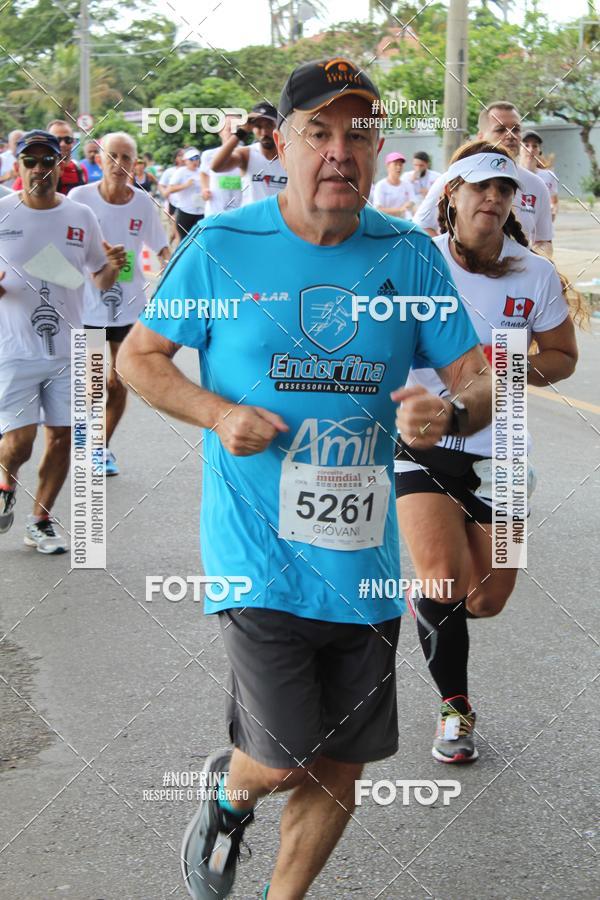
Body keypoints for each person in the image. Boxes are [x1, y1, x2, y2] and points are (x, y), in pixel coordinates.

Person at [119, 56, 491, 900]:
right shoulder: (223, 246)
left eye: (357, 135)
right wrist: (216, 413)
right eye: (317, 133)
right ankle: (229, 793)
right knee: (286, 756)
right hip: (254, 551)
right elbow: (139, 358)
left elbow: (478, 373)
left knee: (341, 765)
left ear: (378, 148)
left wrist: (453, 413)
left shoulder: (407, 255)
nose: (338, 152)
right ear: (279, 144)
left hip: (363, 557)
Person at [395, 140, 579, 763]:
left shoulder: (536, 274)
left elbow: (563, 357)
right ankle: (455, 708)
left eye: (504, 190)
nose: (495, 198)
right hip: (423, 445)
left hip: (502, 452)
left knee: (487, 599)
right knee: (443, 577)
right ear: (452, 195)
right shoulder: (421, 260)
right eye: (481, 187)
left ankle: (431, 603)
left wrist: (514, 369)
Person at [0, 131, 125, 551]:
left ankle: (41, 519)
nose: (39, 169)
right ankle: (5, 481)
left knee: (63, 436)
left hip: (72, 349)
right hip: (13, 349)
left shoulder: (80, 216)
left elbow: (99, 279)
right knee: (18, 444)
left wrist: (111, 267)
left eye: (46, 161)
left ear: (60, 165)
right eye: (30, 161)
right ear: (18, 167)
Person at [70, 132, 169, 476]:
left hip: (129, 307)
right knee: (94, 384)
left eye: (127, 158)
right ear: (99, 159)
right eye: (113, 156)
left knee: (121, 380)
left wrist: (176, 276)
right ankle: (87, 442)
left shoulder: (142, 202)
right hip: (88, 306)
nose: (119, 164)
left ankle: (101, 448)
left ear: (135, 165)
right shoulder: (79, 198)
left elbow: (162, 248)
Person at [414, 102, 554, 256]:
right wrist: (451, 259)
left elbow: (544, 241)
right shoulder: (453, 178)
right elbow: (421, 227)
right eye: (500, 130)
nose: (511, 136)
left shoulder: (537, 185)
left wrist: (533, 265)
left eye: (516, 129)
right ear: (480, 136)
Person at [210, 102, 288, 205]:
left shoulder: (290, 155)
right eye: (258, 126)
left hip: (281, 219)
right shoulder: (246, 154)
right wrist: (242, 131)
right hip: (251, 219)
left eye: (269, 126)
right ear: (251, 129)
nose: (264, 132)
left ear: (278, 127)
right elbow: (216, 166)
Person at [12, 120, 88, 195]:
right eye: (57, 140)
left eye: (68, 140)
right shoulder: (30, 174)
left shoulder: (80, 170)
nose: (63, 144)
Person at [200, 121, 242, 218]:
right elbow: (203, 173)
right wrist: (204, 189)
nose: (233, 133)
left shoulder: (247, 153)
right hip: (215, 213)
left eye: (236, 130)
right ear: (220, 132)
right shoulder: (208, 155)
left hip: (241, 214)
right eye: (229, 129)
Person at [520, 130, 559, 221]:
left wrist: (553, 211)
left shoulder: (549, 176)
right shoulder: (511, 174)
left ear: (539, 151)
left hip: (542, 232)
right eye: (526, 145)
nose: (530, 150)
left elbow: (554, 201)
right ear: (519, 149)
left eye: (535, 146)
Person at [167, 148, 204, 241]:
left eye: (197, 158)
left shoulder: (202, 172)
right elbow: (170, 189)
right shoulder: (181, 172)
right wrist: (185, 185)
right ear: (185, 161)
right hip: (185, 211)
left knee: (199, 240)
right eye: (192, 159)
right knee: (185, 241)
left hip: (200, 211)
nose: (195, 161)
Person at [373, 151, 414, 219]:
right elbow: (378, 209)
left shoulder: (407, 185)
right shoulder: (380, 186)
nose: (399, 167)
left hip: (403, 223)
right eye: (395, 164)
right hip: (386, 223)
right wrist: (399, 210)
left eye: (401, 165)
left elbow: (412, 201)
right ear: (388, 166)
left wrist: (408, 205)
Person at [158, 148, 185, 243]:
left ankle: (171, 240)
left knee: (179, 232)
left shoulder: (191, 171)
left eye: (184, 155)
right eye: (180, 155)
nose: (183, 157)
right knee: (179, 232)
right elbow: (161, 185)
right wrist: (165, 193)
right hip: (172, 205)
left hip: (187, 206)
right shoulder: (169, 172)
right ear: (176, 158)